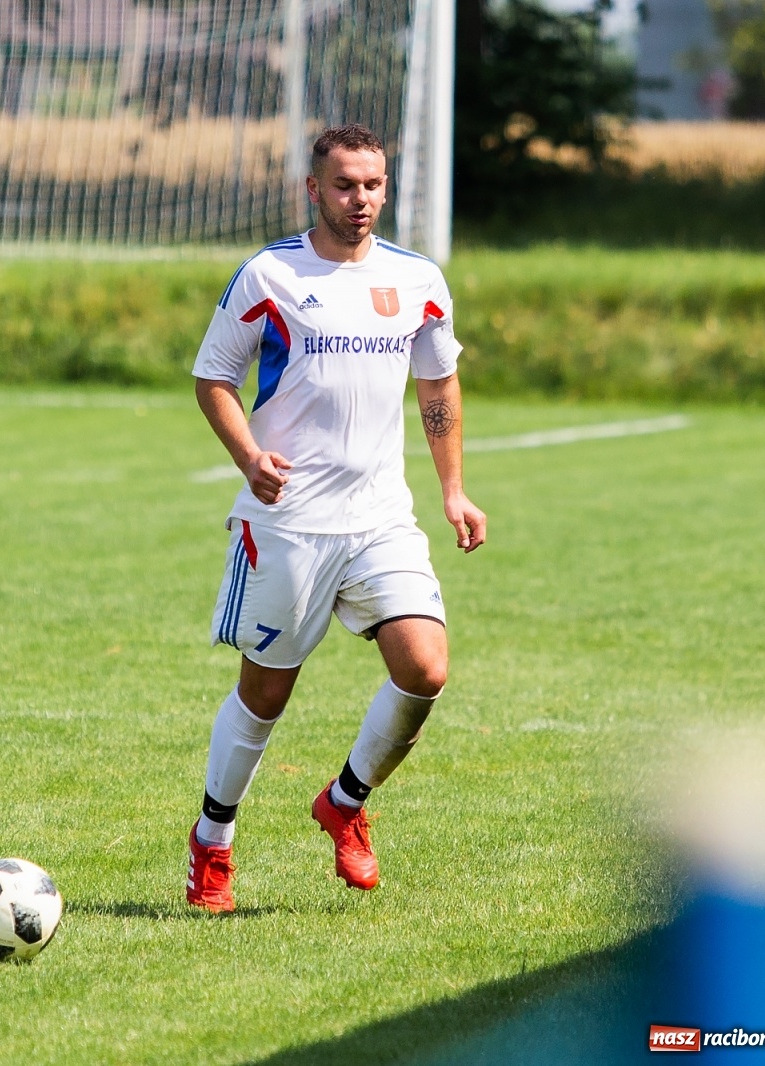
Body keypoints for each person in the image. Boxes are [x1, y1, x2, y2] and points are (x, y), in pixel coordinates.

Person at [184, 123, 487, 913]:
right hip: (287, 523)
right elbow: (214, 376)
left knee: (425, 668)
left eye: (373, 186)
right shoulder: (269, 276)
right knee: (265, 695)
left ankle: (344, 802)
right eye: (346, 186)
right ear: (313, 189)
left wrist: (453, 489)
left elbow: (438, 386)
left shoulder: (418, 279)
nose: (361, 201)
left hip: (382, 516)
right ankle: (213, 841)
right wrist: (250, 457)